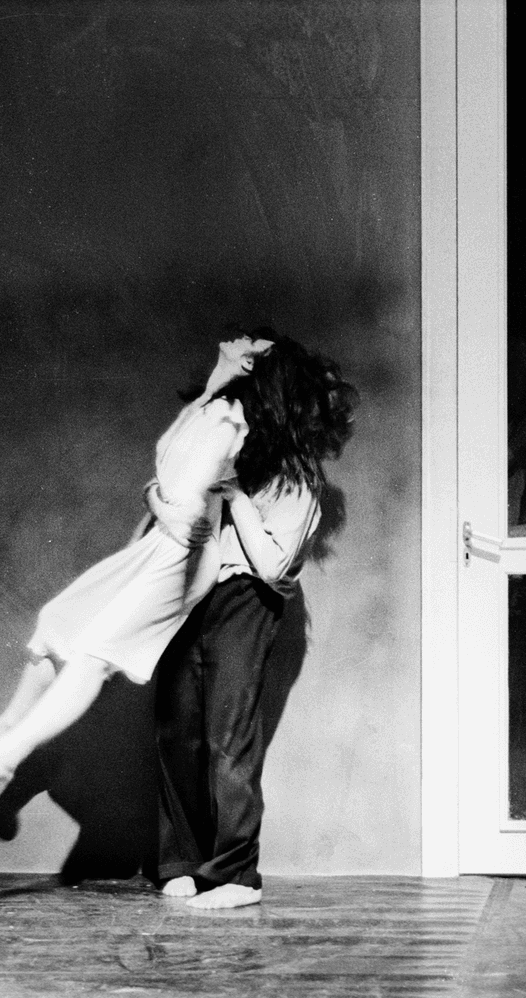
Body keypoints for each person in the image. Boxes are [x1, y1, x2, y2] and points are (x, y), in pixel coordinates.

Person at [0, 330, 356, 854]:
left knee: (120, 670)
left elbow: (231, 527)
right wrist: (165, 499)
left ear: (261, 374)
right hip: (168, 551)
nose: (239, 338)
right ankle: (7, 729)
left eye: (252, 345)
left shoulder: (247, 435)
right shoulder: (216, 408)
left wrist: (202, 507)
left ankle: (11, 751)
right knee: (63, 626)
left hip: (209, 578)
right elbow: (170, 473)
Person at [147, 331, 356, 909]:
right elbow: (170, 466)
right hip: (192, 593)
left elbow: (270, 565)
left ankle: (236, 875)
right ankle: (182, 860)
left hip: (245, 599)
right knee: (177, 729)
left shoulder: (297, 478)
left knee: (227, 737)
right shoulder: (224, 445)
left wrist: (236, 496)